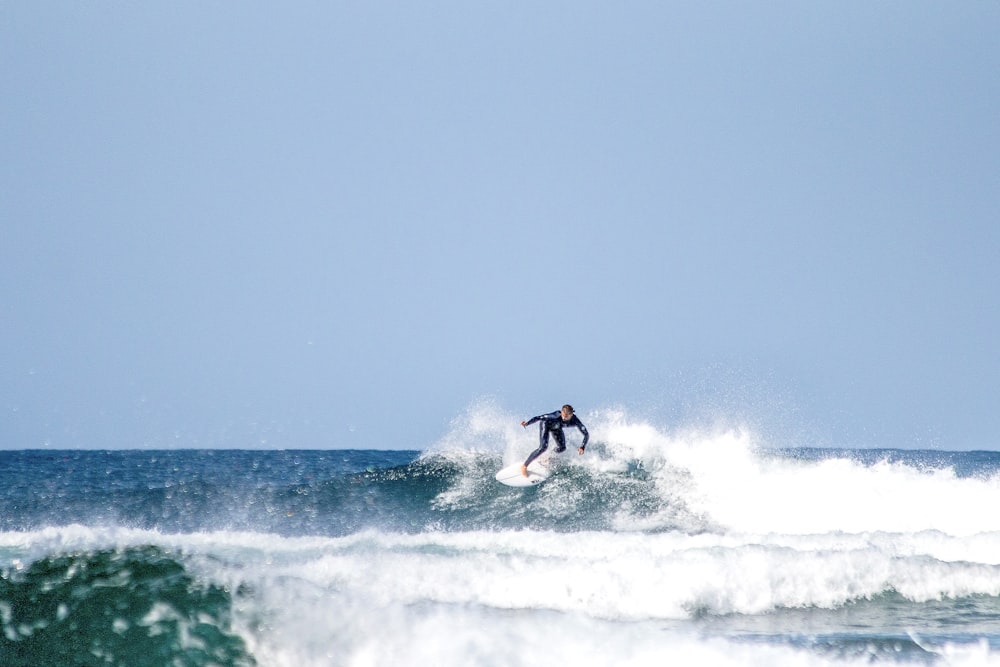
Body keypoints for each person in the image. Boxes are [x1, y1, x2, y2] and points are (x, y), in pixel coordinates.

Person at [519, 404, 589, 477]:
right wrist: (527, 423)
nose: (564, 419)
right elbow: (539, 417)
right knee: (543, 447)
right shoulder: (555, 415)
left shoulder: (575, 420)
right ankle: (524, 466)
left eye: (566, 417)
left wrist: (582, 447)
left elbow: (586, 434)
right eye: (563, 416)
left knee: (562, 447)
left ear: (571, 415)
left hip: (556, 428)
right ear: (561, 412)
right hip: (545, 425)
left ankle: (548, 457)